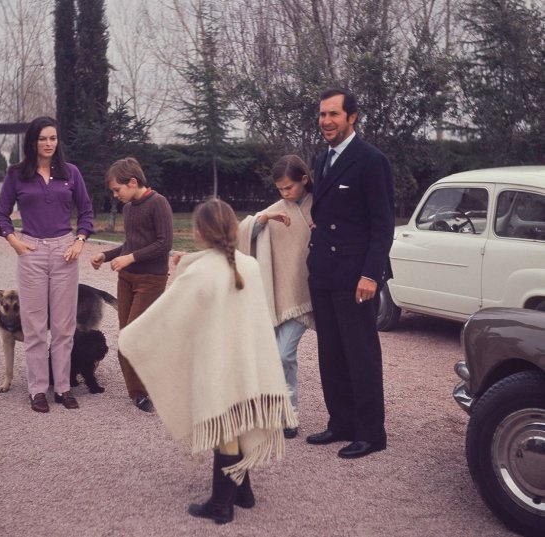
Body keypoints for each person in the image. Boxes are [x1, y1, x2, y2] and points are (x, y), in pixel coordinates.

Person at [118, 198, 297, 524]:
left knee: (223, 429)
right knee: (239, 422)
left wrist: (131, 337)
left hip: (216, 367)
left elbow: (165, 316)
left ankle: (220, 504)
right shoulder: (250, 266)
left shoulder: (201, 272)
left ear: (200, 232)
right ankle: (242, 492)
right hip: (247, 364)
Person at [305, 87, 394, 458]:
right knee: (331, 352)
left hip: (356, 275)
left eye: (334, 115)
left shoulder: (370, 160)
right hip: (325, 272)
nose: (326, 121)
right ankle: (340, 422)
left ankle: (372, 432)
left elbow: (382, 224)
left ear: (352, 117)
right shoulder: (322, 159)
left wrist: (371, 275)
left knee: (360, 354)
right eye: (323, 115)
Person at [0, 116, 94, 413]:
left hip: (66, 253)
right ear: (32, 142)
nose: (49, 144)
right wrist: (13, 240)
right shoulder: (16, 175)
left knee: (64, 327)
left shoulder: (71, 173)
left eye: (53, 138)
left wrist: (80, 241)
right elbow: (1, 214)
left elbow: (87, 212)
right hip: (31, 252)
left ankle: (62, 388)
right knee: (35, 327)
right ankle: (37, 390)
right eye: (43, 139)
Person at [237, 154, 314, 439]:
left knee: (284, 354)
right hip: (277, 296)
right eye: (280, 190)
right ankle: (283, 414)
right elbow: (243, 233)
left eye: (289, 188)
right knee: (277, 357)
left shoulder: (320, 205)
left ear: (304, 179)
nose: (284, 194)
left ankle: (288, 413)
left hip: (305, 295)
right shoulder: (277, 208)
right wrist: (265, 216)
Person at [90, 157, 173, 413]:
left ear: (133, 182)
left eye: (118, 189)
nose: (115, 195)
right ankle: (138, 393)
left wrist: (131, 258)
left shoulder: (158, 204)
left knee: (135, 336)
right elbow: (130, 245)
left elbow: (164, 244)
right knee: (126, 337)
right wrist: (107, 256)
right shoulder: (128, 209)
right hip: (126, 279)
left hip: (151, 280)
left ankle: (157, 384)